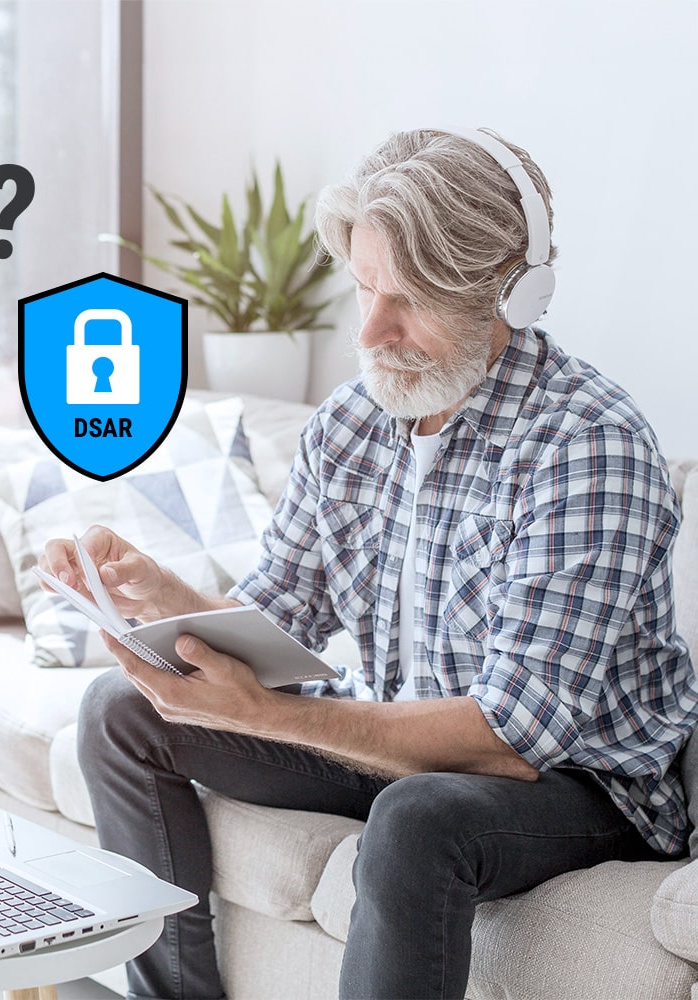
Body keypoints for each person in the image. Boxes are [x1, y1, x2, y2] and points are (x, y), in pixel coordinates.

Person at [40, 128, 698, 1000]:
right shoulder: (353, 423)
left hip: (578, 783)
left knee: (418, 817)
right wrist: (165, 600)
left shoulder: (588, 446)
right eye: (363, 286)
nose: (371, 330)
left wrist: (271, 716)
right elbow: (275, 623)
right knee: (121, 711)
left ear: (513, 293)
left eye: (410, 299)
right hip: (404, 744)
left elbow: (509, 740)